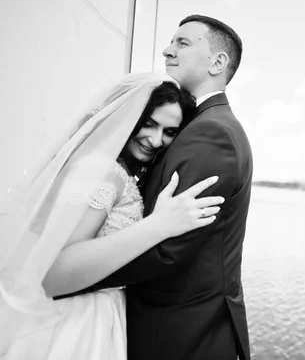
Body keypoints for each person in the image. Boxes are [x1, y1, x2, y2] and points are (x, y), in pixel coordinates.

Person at [0, 74, 224, 359]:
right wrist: (158, 225)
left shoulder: (108, 168)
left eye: (169, 132)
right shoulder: (104, 173)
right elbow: (53, 275)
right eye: (149, 123)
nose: (155, 140)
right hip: (75, 325)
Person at [69, 14, 253, 360]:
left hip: (179, 332)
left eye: (182, 42)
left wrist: (71, 274)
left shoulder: (211, 133)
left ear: (218, 61)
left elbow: (170, 251)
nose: (167, 50)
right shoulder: (200, 125)